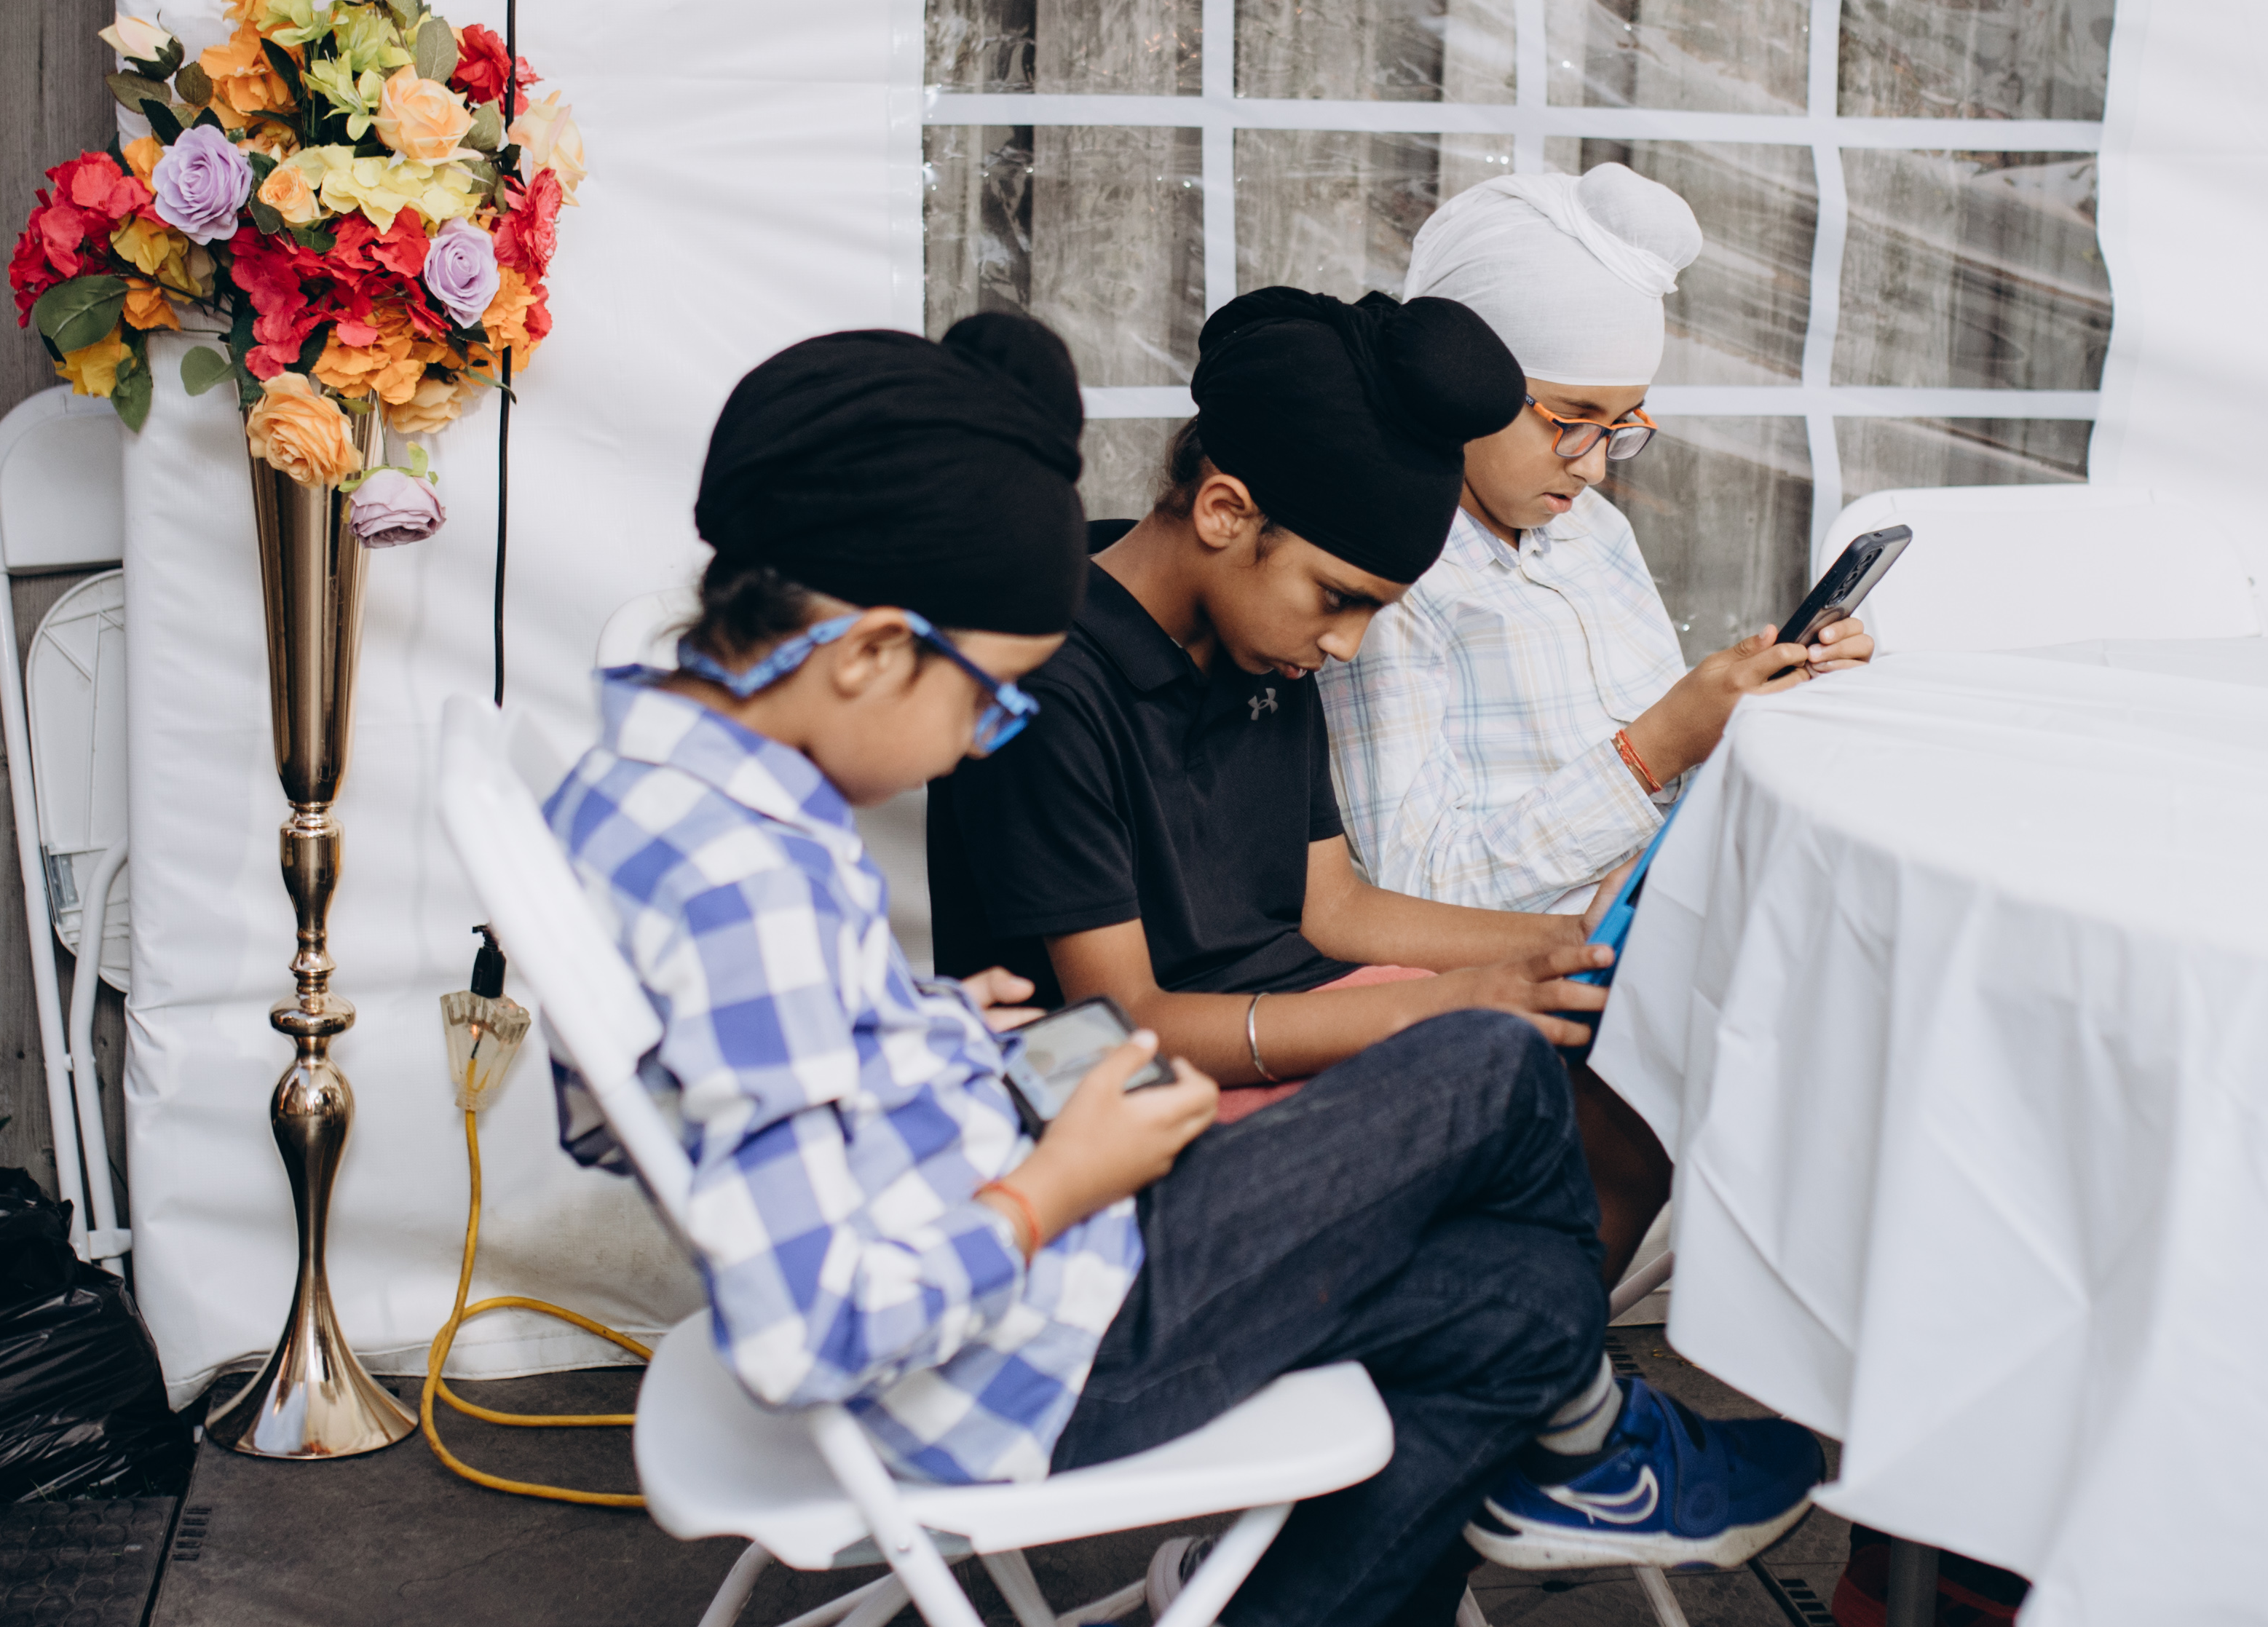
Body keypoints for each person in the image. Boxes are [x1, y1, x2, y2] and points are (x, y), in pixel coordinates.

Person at [545, 316, 1823, 1627]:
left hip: (1030, 1234)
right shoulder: (748, 883)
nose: (981, 740)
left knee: (1523, 1299)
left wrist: (920, 1033)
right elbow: (812, 1334)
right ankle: (1582, 1452)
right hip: (1017, 1350)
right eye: (986, 698)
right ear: (871, 652)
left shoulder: (645, 790)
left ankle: (1522, 1472)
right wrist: (1052, 1185)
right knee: (1493, 1071)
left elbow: (617, 1112)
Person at [924, 288, 1679, 1271]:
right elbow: (1122, 1023)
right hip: (1115, 1085)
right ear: (1225, 512)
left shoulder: (1262, 644)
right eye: (1337, 600)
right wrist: (1435, 1006)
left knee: (1628, 1090)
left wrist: (1570, 946)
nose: (1345, 645)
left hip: (1289, 1014)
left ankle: (1526, 1357)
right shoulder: (1050, 686)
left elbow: (1333, 907)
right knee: (1523, 1129)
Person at [1318, 164, 1876, 920]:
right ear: (1457, 387)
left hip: (1679, 897)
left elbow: (1679, 773)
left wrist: (1765, 697)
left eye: (1621, 426)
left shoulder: (1593, 529)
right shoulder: (1387, 579)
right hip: (1544, 956)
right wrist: (1655, 750)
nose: (1593, 468)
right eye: (1571, 420)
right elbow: (1413, 890)